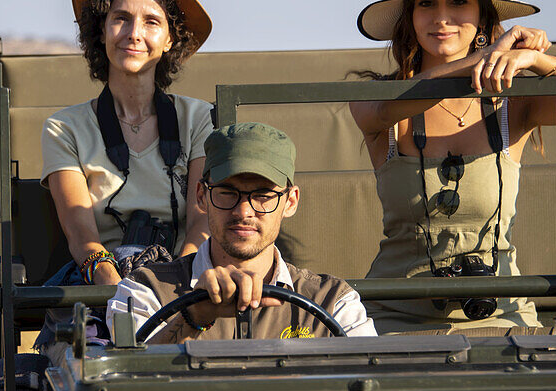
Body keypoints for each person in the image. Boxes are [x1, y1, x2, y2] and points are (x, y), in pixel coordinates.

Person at [348, 0, 556, 333]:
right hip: (396, 318)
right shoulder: (377, 101)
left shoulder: (513, 104)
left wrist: (537, 58)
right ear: (409, 17)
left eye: (458, 2)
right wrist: (487, 55)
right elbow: (389, 107)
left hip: (502, 315)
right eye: (426, 3)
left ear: (481, 13)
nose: (442, 17)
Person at [107, 123, 377, 343]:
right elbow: (126, 381)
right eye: (227, 193)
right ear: (201, 196)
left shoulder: (333, 301)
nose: (244, 211)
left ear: (291, 202)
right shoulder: (146, 290)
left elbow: (370, 387)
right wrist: (191, 318)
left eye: (263, 195)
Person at [41, 0, 214, 289]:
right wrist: (119, 293)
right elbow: (81, 236)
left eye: (151, 22)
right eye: (121, 18)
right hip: (98, 282)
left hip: (181, 280)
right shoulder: (64, 129)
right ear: (102, 30)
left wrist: (173, 288)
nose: (134, 34)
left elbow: (201, 225)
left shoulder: (199, 120)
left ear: (170, 40)